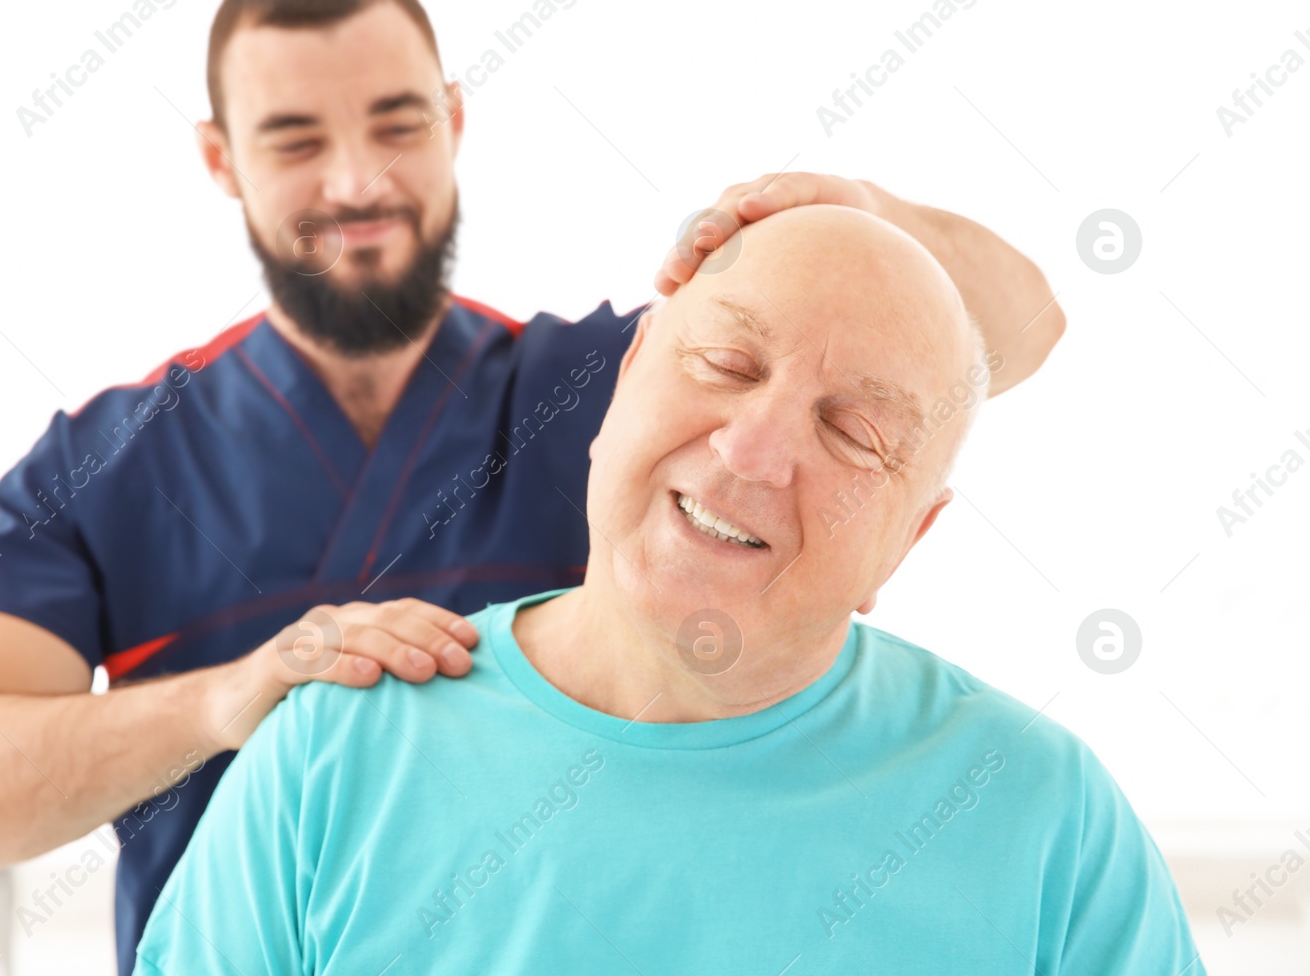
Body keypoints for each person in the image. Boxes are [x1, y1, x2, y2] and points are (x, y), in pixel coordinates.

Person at [0, 0, 1066, 975]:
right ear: (222, 160)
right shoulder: (111, 463)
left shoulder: (604, 392)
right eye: (295, 139)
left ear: (453, 120)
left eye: (398, 123)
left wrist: (864, 214)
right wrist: (227, 703)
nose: (359, 181)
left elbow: (1004, 334)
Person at [133, 205, 1198, 975]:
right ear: (628, 373)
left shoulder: (1038, 814)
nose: (754, 446)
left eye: (853, 431)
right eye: (727, 364)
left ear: (907, 541)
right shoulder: (336, 755)